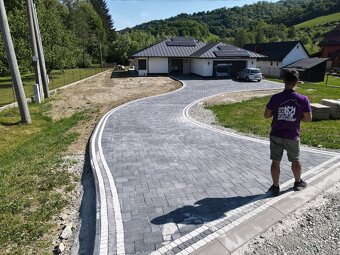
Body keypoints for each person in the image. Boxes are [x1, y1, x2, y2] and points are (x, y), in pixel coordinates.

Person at [264, 69, 312, 196]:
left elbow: (266, 115)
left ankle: (275, 186)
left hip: (276, 134)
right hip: (292, 135)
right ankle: (297, 183)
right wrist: (297, 117)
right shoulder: (303, 99)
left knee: (275, 161)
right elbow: (308, 119)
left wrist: (276, 112)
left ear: (284, 81)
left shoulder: (275, 98)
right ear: (297, 82)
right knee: (295, 160)